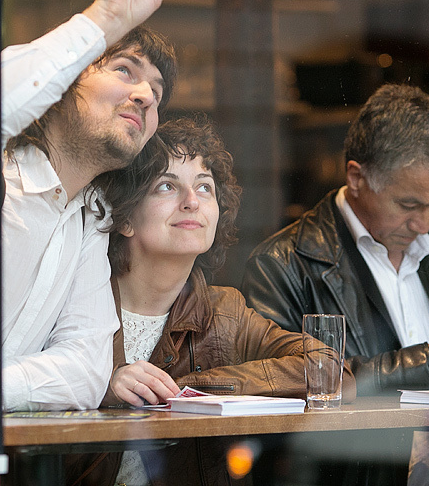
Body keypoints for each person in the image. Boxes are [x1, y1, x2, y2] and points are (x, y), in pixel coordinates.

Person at [64, 116, 355, 486]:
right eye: (167, 186)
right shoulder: (75, 306)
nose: (192, 202)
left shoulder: (226, 313)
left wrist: (195, 389)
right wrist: (100, 385)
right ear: (124, 216)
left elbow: (331, 371)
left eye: (205, 187)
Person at [240, 84, 429, 484]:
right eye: (409, 205)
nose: (424, 223)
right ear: (357, 177)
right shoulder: (281, 264)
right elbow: (272, 394)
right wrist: (421, 366)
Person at [0, 0, 182, 412]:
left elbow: (85, 371)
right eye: (125, 70)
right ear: (63, 82)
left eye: (156, 93)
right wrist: (103, 20)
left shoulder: (90, 218)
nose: (145, 95)